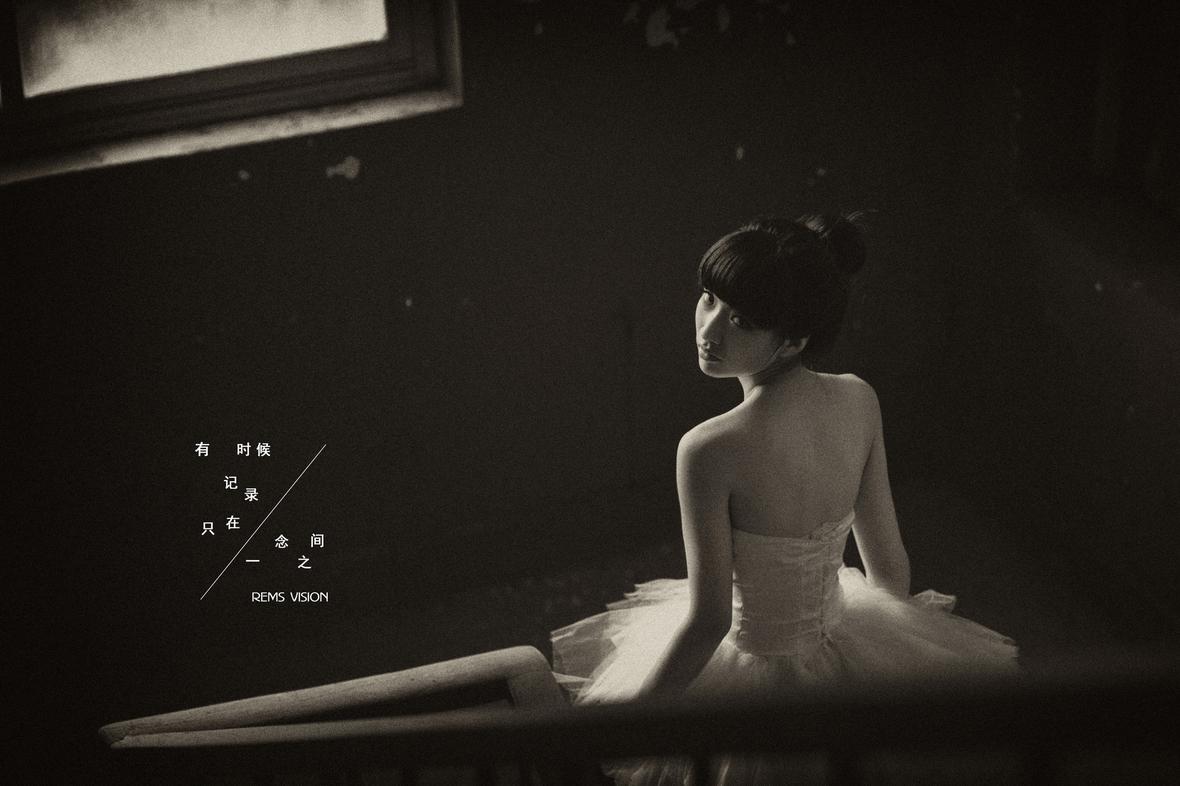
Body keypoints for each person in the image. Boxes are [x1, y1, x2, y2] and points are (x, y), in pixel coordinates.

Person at [549, 213, 1018, 784]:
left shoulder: (708, 448)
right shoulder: (859, 399)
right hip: (841, 641)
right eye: (709, 299)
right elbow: (891, 572)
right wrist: (881, 661)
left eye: (742, 320)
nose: (709, 329)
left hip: (749, 675)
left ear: (794, 340)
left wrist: (628, 727)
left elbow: (709, 620)